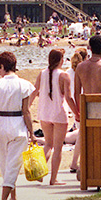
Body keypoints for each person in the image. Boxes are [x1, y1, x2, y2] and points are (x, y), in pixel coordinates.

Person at [0, 52, 35, 200]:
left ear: (2, 66)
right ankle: (5, 199)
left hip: (1, 123)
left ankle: (12, 197)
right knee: (13, 164)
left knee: (5, 163)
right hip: (17, 123)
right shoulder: (24, 84)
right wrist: (32, 132)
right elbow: (26, 111)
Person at [72, 35, 101, 175]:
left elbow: (76, 92)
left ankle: (85, 168)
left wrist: (78, 111)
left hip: (86, 106)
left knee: (87, 140)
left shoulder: (80, 67)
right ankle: (100, 169)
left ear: (90, 48)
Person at [30, 49, 78, 185]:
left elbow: (34, 91)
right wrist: (76, 113)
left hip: (44, 113)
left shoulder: (42, 73)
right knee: (57, 148)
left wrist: (27, 107)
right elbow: (68, 97)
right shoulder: (63, 75)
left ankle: (39, 172)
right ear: (60, 60)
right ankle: (53, 179)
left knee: (48, 144)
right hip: (59, 113)